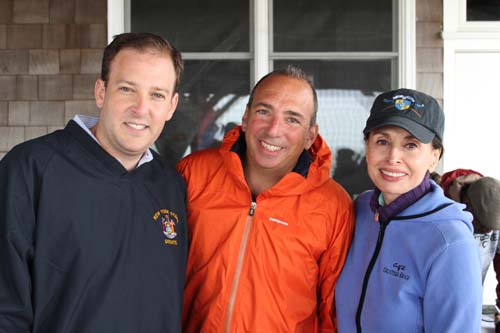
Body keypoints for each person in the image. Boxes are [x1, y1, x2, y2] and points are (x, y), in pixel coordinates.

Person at [0, 32, 188, 332]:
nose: (141, 109)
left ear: (171, 106)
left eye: (157, 94)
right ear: (101, 92)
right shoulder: (31, 168)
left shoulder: (172, 187)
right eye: (127, 89)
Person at [177, 65, 355, 332]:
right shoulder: (193, 174)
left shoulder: (333, 205)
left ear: (310, 135)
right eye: (264, 111)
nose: (274, 130)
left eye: (292, 119)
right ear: (246, 118)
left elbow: (331, 312)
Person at [335, 88, 482, 332]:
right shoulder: (358, 211)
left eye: (411, 145)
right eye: (382, 141)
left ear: (434, 156)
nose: (393, 157)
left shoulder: (450, 242)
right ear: (367, 147)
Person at [439, 169, 500, 304]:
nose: (488, 231)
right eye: (483, 224)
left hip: (471, 306)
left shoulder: (494, 203)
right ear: (468, 203)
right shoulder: (437, 212)